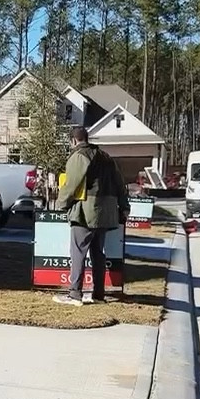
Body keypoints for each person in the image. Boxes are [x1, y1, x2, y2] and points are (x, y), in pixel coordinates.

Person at [54, 126, 130, 306]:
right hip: (106, 214)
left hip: (86, 212)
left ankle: (75, 294)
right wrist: (124, 207)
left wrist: (61, 205)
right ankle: (98, 294)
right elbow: (120, 185)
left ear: (73, 140)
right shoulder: (107, 157)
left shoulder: (79, 156)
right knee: (98, 253)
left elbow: (72, 185)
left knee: (78, 251)